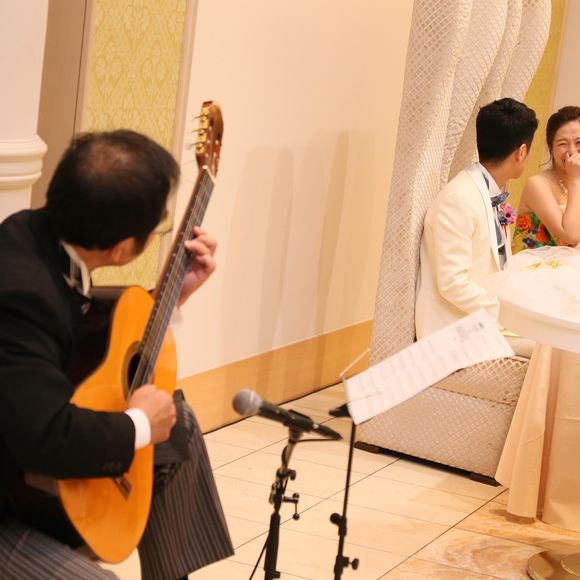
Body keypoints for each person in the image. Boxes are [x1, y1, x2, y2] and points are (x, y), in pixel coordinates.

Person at [0, 130, 233, 579]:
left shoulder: (37, 235)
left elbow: (83, 346)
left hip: (26, 468)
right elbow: (46, 439)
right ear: (123, 248)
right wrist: (138, 424)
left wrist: (171, 298)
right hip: (9, 499)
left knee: (177, 424)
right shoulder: (20, 295)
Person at [415, 98, 538, 339]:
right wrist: (509, 314)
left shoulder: (485, 190)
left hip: (482, 320)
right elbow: (452, 283)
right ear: (521, 152)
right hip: (454, 331)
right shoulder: (459, 199)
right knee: (548, 344)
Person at [512, 105, 580, 252]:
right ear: (551, 148)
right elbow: (571, 236)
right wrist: (576, 180)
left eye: (578, 142)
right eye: (563, 144)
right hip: (533, 264)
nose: (572, 151)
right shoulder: (537, 184)